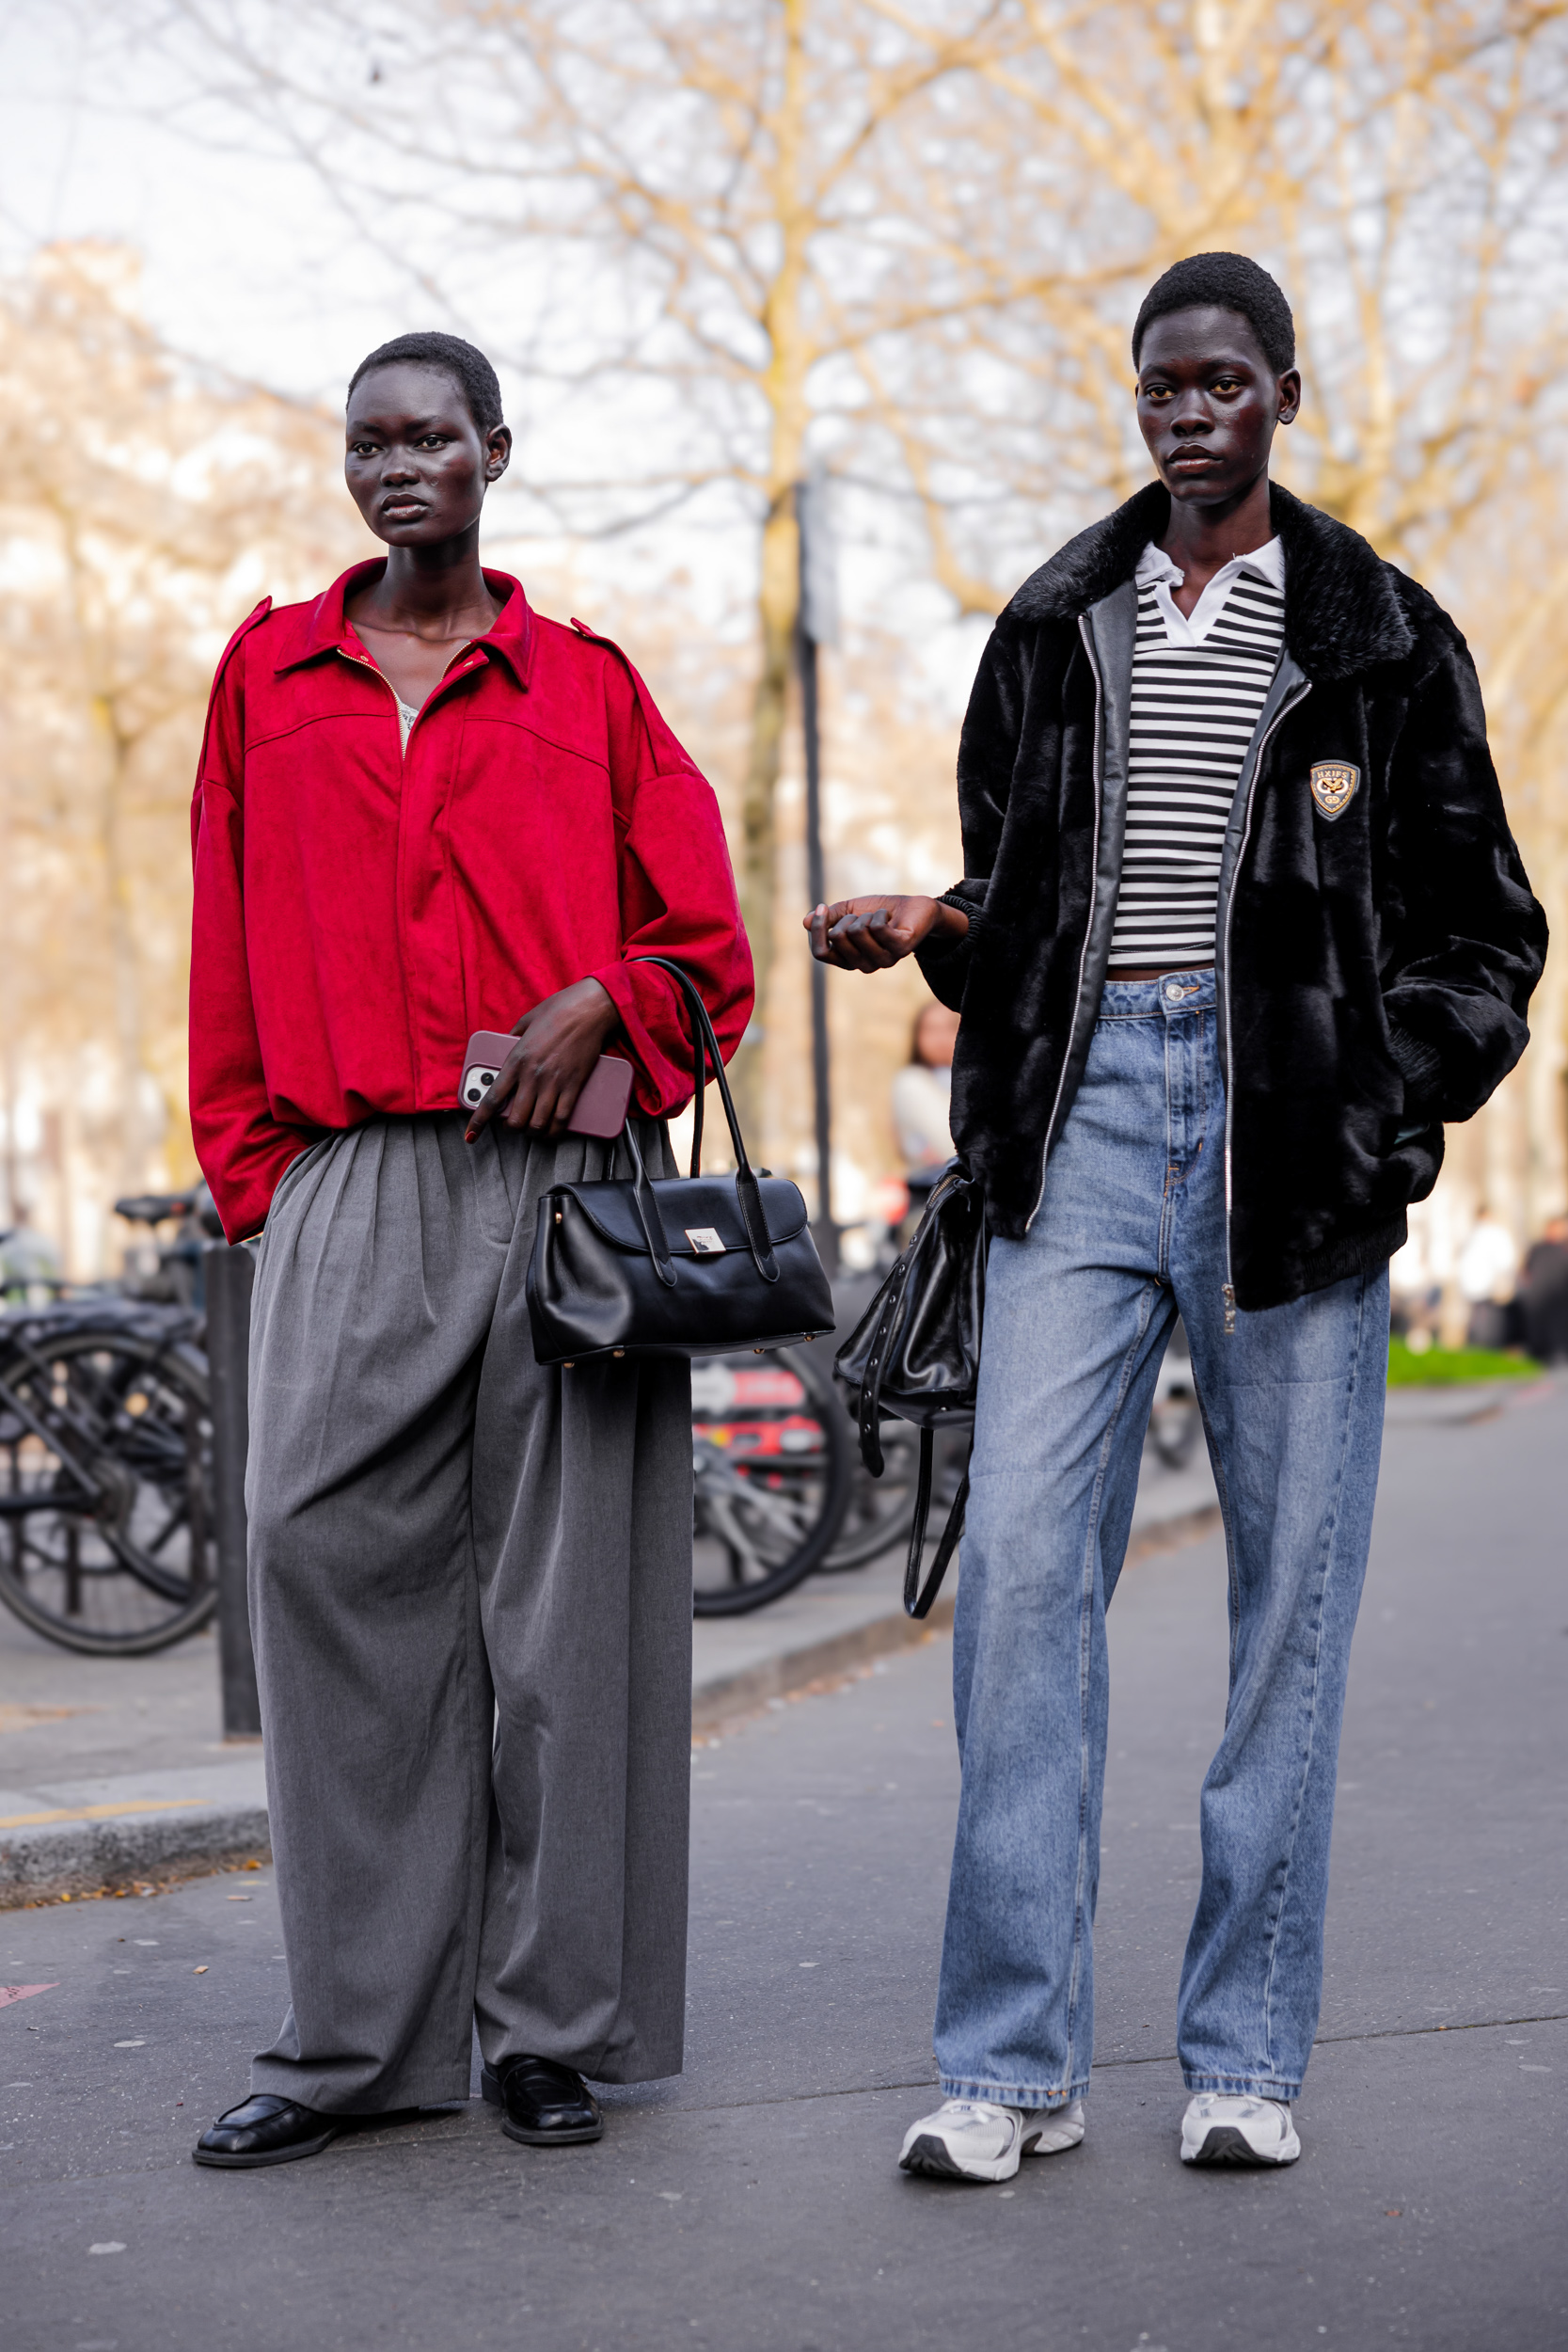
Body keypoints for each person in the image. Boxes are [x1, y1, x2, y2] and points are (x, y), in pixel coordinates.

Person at [807, 254, 1545, 2180]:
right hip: (1077, 1139)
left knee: (1279, 1608)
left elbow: (1484, 932)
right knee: (1022, 1585)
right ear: (1132, 399)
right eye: (1157, 382)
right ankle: (1007, 2066)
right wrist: (936, 926)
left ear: (1283, 391)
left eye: (1220, 377)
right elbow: (1022, 891)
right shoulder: (1054, 616)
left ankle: (1237, 2049)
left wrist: (1371, 1106)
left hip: (1283, 1154)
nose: (1186, 406)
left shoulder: (1378, 636)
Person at [186, 331, 751, 2168]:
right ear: (344, 462)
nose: (398, 461)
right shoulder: (264, 675)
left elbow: (704, 950)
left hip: (559, 1191)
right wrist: (256, 1181)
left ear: (495, 452)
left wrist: (617, 995)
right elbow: (220, 946)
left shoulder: (583, 687)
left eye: (432, 433)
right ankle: (358, 2030)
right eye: (369, 437)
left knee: (558, 1624)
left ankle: (543, 2026)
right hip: (347, 1179)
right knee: (314, 1549)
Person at [892, 1000, 960, 1215]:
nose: (941, 1038)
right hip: (932, 1201)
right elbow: (948, 1144)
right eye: (931, 1029)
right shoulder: (911, 1083)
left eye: (950, 1028)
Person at [1456, 1204, 1520, 1351]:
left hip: (1471, 1285)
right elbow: (1506, 1260)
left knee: (1477, 1318)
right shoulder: (1494, 1233)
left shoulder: (1471, 1235)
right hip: (1488, 1284)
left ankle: (1477, 1345)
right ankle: (1489, 1346)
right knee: (1490, 1320)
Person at [1520, 1213, 1568, 1363]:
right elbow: (1526, 1271)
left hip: (1560, 1298)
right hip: (1540, 1297)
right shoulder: (1538, 1249)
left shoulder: (1563, 1248)